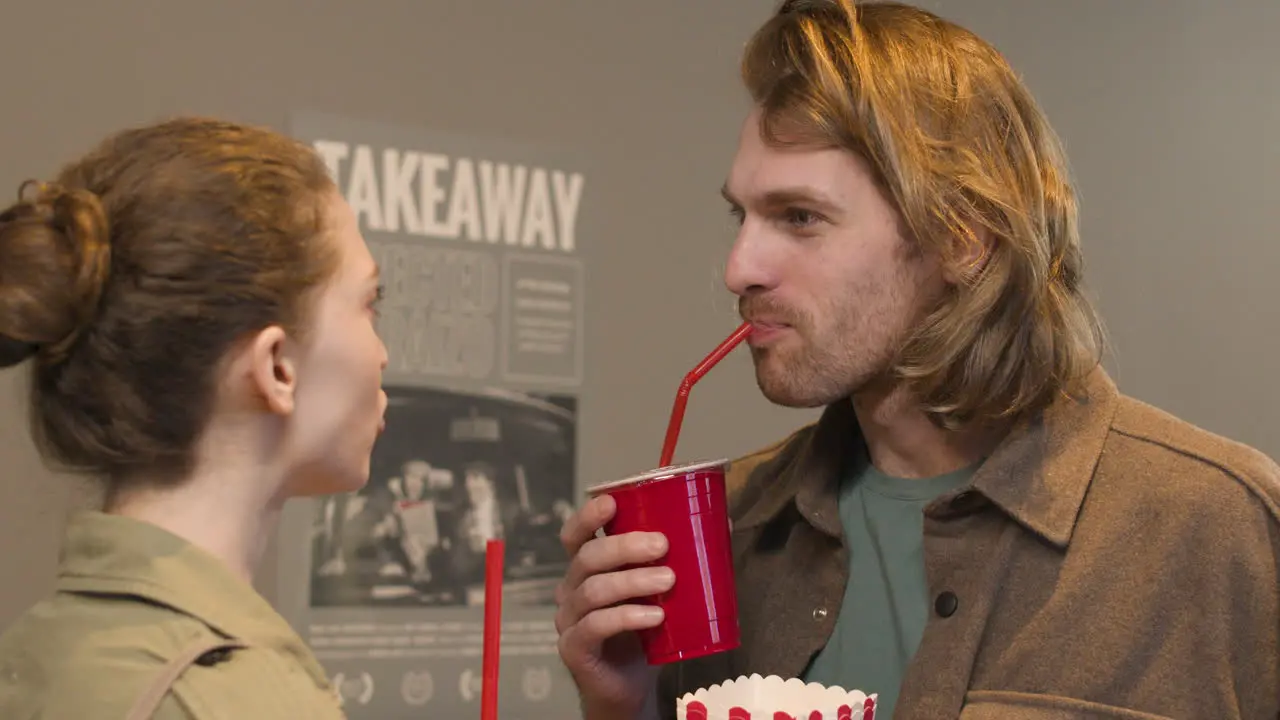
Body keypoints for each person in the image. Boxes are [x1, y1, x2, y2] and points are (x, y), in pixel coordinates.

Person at [553, 2, 1280, 719]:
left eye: (800, 217)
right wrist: (626, 709)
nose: (739, 267)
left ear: (963, 237)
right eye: (741, 216)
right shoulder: (730, 533)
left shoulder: (1218, 529)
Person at [0, 116, 389, 718]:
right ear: (278, 367)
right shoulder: (242, 701)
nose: (382, 353)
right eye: (369, 303)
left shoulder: (32, 657)